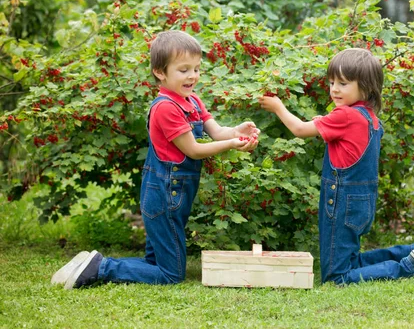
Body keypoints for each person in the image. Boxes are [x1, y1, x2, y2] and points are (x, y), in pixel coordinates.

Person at [53, 30, 260, 289]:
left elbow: (216, 131)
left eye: (196, 69)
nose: (192, 76)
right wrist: (231, 145)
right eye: (183, 70)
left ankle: (92, 264)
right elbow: (193, 150)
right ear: (160, 72)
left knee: (155, 262)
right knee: (171, 275)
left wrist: (236, 131)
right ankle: (102, 267)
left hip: (176, 193)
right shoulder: (165, 108)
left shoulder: (193, 101)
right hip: (164, 193)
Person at [258, 48, 414, 285]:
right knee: (349, 263)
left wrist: (278, 107)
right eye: (332, 82)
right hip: (362, 201)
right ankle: (411, 252)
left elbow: (300, 130)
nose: (334, 89)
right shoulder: (369, 117)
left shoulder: (344, 115)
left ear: (366, 86)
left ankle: (407, 267)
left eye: (343, 83)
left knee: (336, 277)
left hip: (341, 203)